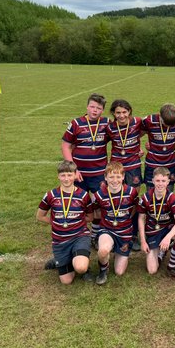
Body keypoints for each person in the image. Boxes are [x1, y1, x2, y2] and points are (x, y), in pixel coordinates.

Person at [61, 93, 109, 244]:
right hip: (79, 174)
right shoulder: (76, 123)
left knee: (98, 205)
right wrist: (73, 169)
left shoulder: (107, 123)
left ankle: (94, 236)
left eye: (99, 108)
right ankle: (77, 234)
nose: (95, 110)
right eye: (92, 107)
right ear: (87, 106)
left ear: (103, 110)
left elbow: (122, 137)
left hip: (99, 174)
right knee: (77, 204)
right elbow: (66, 146)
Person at [36, 160, 94, 284]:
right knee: (66, 281)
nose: (66, 178)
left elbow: (90, 217)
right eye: (63, 175)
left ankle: (84, 266)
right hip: (60, 241)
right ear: (58, 176)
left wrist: (76, 221)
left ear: (75, 175)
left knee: (81, 267)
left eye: (69, 175)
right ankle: (61, 260)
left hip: (79, 236)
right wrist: (57, 223)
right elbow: (40, 216)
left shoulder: (83, 195)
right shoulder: (51, 195)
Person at [91, 161, 140, 285]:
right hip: (107, 230)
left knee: (119, 272)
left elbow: (135, 207)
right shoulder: (99, 195)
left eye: (118, 176)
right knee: (103, 251)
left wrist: (128, 217)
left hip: (125, 232)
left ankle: (119, 249)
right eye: (111, 177)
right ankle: (103, 269)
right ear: (105, 177)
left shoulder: (131, 192)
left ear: (123, 177)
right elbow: (95, 212)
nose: (115, 180)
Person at [136, 167, 175, 279]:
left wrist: (168, 237)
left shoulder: (171, 197)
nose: (160, 184)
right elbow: (141, 219)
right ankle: (161, 252)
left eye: (163, 181)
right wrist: (143, 241)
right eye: (157, 181)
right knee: (152, 270)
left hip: (168, 228)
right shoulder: (145, 198)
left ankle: (171, 266)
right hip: (153, 231)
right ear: (152, 181)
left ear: (168, 182)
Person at [141, 103, 175, 190]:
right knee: (151, 192)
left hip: (170, 163)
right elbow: (135, 134)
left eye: (171, 125)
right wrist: (138, 148)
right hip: (152, 164)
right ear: (160, 116)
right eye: (165, 123)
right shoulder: (149, 121)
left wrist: (170, 142)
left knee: (169, 192)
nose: (168, 126)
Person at [106, 98, 144, 190]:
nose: (122, 115)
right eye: (118, 113)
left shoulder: (137, 122)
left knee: (134, 192)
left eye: (124, 112)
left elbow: (146, 132)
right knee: (116, 191)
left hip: (133, 164)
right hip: (116, 165)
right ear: (113, 113)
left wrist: (145, 146)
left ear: (129, 111)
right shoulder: (110, 128)